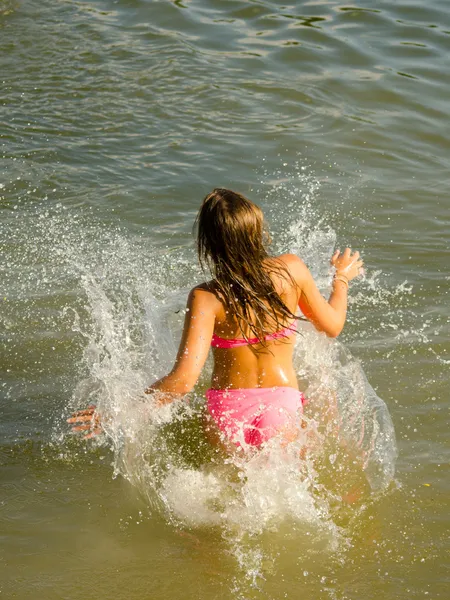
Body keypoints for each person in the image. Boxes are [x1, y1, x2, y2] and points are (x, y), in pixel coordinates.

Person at [68, 188, 363, 448]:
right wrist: (342, 278)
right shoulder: (292, 269)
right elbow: (333, 326)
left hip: (228, 412)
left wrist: (119, 412)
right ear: (257, 232)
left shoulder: (206, 298)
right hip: (281, 404)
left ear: (208, 246)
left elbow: (183, 381)